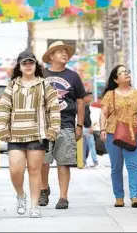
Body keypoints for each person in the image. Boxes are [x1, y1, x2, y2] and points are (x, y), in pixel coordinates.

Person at [0, 51, 61, 218]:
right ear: (19, 66)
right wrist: (2, 128)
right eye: (24, 63)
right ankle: (20, 195)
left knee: (34, 170)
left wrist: (53, 129)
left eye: (31, 62)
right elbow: (4, 108)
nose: (28, 65)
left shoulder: (45, 85)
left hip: (38, 134)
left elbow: (53, 108)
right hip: (15, 135)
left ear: (35, 65)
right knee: (15, 170)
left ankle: (34, 206)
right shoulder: (12, 85)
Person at [39, 41, 86, 210]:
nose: (65, 54)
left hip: (66, 124)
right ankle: (43, 189)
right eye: (60, 52)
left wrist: (79, 125)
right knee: (43, 161)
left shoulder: (73, 76)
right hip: (44, 126)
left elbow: (81, 102)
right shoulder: (41, 75)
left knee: (64, 162)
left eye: (66, 52)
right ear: (51, 56)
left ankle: (63, 197)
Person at [100, 65, 137, 208]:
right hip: (113, 134)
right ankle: (119, 197)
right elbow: (104, 113)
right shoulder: (110, 95)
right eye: (122, 72)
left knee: (133, 166)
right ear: (116, 79)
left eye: (127, 71)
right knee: (116, 167)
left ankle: (134, 197)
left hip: (134, 133)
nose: (126, 73)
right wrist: (102, 129)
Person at [83, 92, 99, 168]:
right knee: (92, 146)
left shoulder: (82, 105)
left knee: (83, 146)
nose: (90, 99)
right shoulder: (85, 106)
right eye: (89, 97)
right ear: (85, 97)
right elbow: (86, 118)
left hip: (83, 128)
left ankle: (83, 162)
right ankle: (95, 161)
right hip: (86, 128)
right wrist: (89, 126)